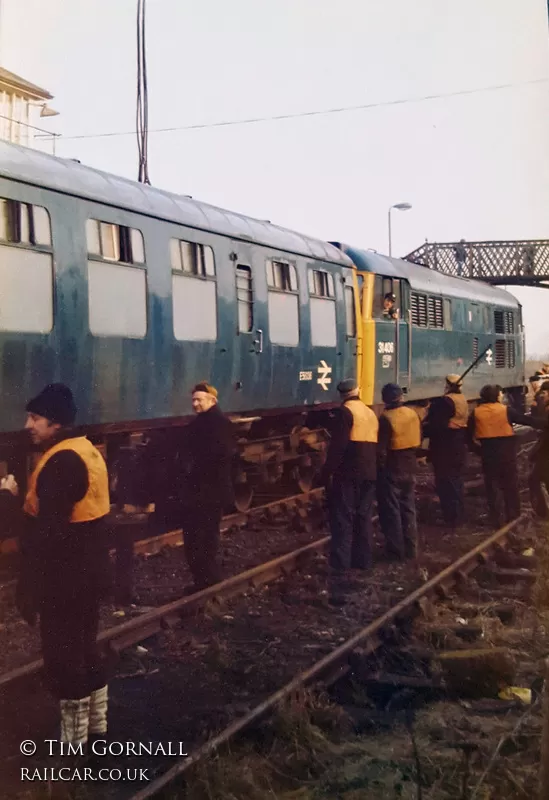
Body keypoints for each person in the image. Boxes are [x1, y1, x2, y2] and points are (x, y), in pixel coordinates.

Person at [11, 383, 112, 748]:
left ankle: (72, 744)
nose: (28, 425)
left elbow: (48, 533)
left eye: (35, 418)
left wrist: (8, 501)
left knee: (62, 657)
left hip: (64, 579)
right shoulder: (85, 451)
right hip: (89, 573)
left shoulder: (60, 462)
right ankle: (96, 728)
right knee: (86, 647)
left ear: (55, 423)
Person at [178, 383, 235, 592]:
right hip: (203, 491)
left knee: (203, 536)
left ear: (212, 400)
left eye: (199, 400)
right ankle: (203, 580)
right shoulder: (206, 423)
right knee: (200, 536)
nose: (195, 404)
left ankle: (207, 580)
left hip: (208, 491)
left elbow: (221, 456)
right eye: (193, 400)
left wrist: (193, 469)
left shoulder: (218, 424)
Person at [320, 379, 378, 583]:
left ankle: (340, 564)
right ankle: (363, 560)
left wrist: (327, 471)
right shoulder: (370, 412)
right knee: (363, 516)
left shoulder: (345, 413)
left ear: (342, 395)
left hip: (349, 472)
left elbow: (338, 447)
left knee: (343, 518)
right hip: (370, 471)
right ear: (357, 391)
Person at [467, 384, 524, 528]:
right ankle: (514, 517)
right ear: (496, 396)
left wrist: (477, 450)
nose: (501, 395)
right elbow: (526, 420)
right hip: (507, 454)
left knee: (492, 487)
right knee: (510, 486)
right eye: (500, 393)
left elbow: (468, 436)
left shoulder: (476, 413)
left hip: (488, 454)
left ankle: (496, 520)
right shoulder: (506, 410)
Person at [377, 383, 421, 560]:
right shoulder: (413, 414)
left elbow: (381, 449)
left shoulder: (386, 418)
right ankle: (412, 549)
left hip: (392, 466)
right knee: (408, 508)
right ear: (401, 398)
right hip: (410, 464)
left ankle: (396, 552)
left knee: (392, 511)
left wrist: (379, 467)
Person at [423, 374, 468, 528]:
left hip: (444, 449)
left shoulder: (445, 402)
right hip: (458, 447)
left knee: (445, 484)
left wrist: (422, 428)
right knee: (456, 482)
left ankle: (451, 518)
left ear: (448, 385)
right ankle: (459, 516)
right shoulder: (462, 399)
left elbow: (436, 426)